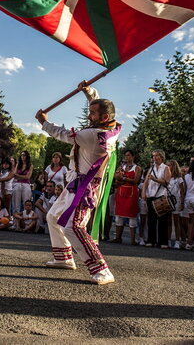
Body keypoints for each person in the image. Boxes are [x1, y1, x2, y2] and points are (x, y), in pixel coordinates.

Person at [36, 81, 120, 285]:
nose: (89, 116)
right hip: (76, 183)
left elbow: (63, 134)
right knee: (53, 216)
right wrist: (89, 92)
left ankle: (102, 269)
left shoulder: (93, 135)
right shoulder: (111, 128)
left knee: (73, 226)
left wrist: (43, 122)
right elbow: (100, 106)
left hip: (85, 187)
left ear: (104, 117)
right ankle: (63, 258)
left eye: (92, 113)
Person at [143, 149, 172, 249]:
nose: (154, 158)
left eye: (156, 156)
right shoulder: (151, 168)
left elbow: (167, 182)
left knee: (163, 220)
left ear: (161, 157)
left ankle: (163, 241)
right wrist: (144, 192)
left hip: (161, 196)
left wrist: (155, 179)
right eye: (153, 156)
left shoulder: (166, 168)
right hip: (151, 195)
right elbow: (146, 181)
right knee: (151, 219)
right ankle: (151, 240)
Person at [111, 149, 141, 245]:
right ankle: (118, 237)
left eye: (128, 155)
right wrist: (121, 179)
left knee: (132, 216)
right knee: (118, 216)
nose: (126, 157)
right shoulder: (122, 167)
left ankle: (133, 239)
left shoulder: (137, 168)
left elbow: (135, 180)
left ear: (133, 156)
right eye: (126, 155)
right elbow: (116, 176)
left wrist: (123, 178)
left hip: (131, 194)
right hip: (121, 192)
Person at [167, 160, 185, 249]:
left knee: (176, 221)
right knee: (169, 221)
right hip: (167, 200)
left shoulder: (179, 178)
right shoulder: (167, 177)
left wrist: (182, 202)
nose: (168, 167)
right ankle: (169, 240)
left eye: (170, 165)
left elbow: (182, 191)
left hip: (176, 200)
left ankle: (177, 241)